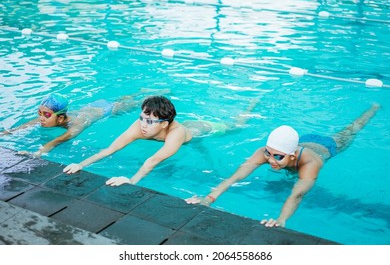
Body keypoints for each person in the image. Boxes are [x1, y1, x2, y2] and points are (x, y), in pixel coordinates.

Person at [185, 104, 380, 228]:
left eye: (277, 157)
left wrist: (281, 219)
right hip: (300, 142)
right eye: (268, 153)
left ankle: (372, 109)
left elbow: (297, 194)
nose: (270, 159)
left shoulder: (311, 164)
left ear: (292, 155)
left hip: (325, 147)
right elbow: (235, 177)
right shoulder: (270, 152)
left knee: (350, 130)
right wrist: (208, 198)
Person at [63, 95, 259, 186]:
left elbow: (153, 160)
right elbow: (110, 149)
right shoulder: (140, 125)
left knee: (236, 127)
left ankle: (251, 104)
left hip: (200, 130)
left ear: (164, 124)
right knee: (202, 150)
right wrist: (80, 164)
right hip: (185, 128)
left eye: (150, 121)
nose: (143, 125)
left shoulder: (176, 134)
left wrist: (131, 180)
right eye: (142, 118)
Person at [0, 92, 145, 157]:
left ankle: (149, 93)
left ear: (61, 119)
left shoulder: (76, 126)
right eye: (40, 113)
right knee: (124, 98)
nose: (41, 118)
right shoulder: (48, 117)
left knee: (136, 103)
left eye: (47, 115)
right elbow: (19, 128)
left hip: (108, 110)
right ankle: (134, 94)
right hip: (94, 105)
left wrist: (36, 153)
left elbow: (56, 141)